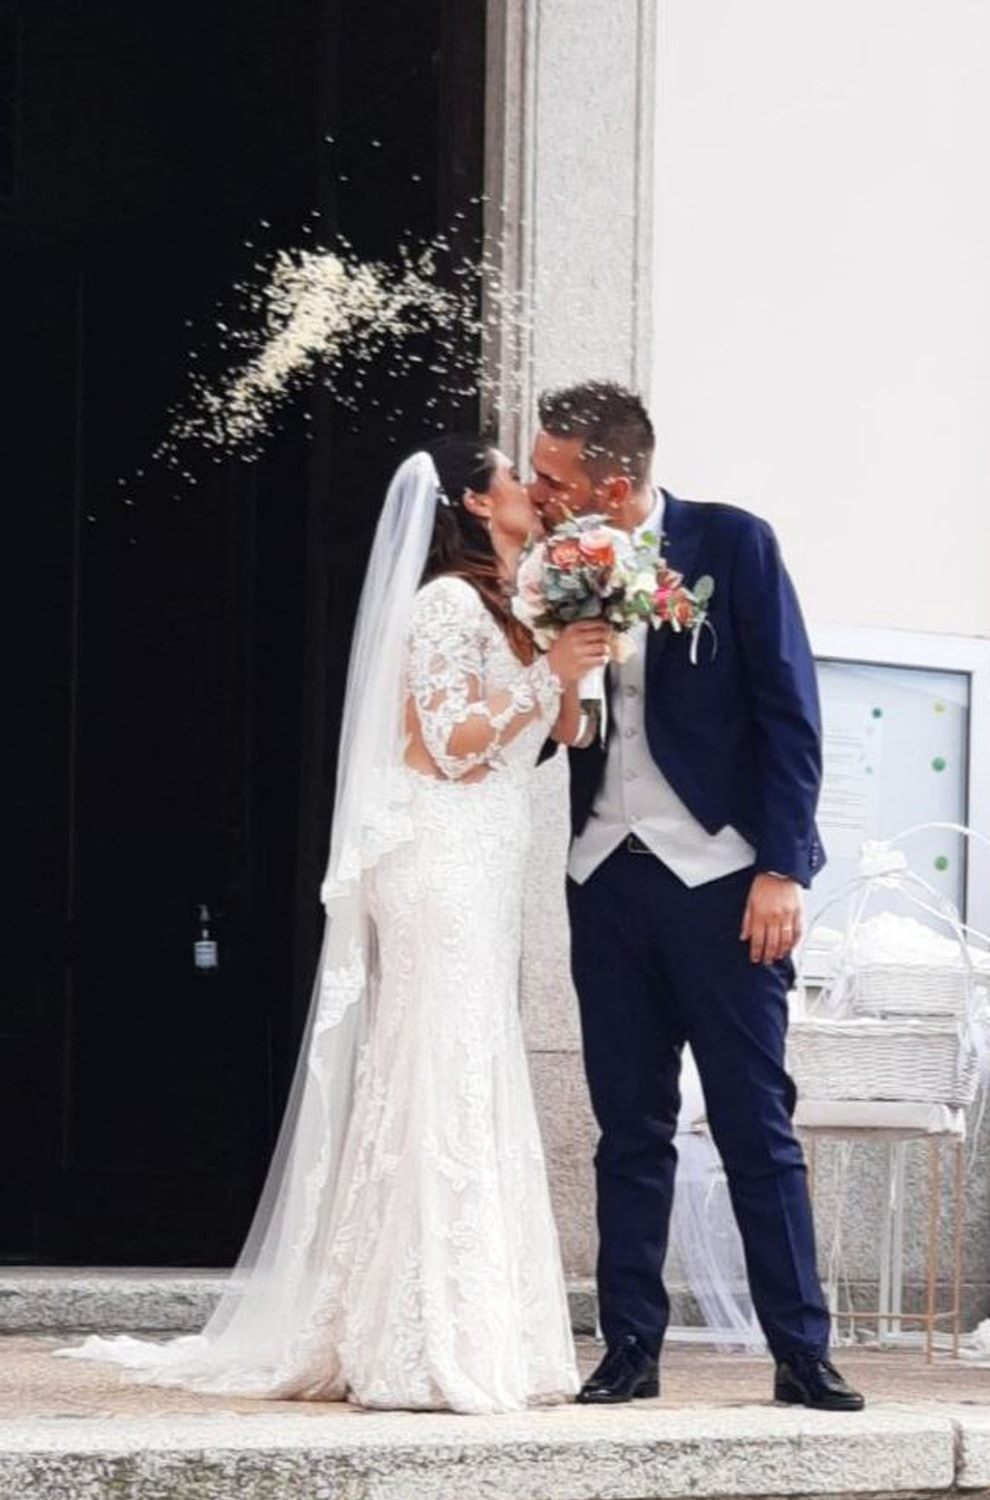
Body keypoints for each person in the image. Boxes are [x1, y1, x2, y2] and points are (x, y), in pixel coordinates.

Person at [56, 438, 610, 1413]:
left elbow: (565, 734)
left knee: (470, 1058)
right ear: (476, 503)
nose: (533, 489)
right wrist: (541, 675)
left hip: (488, 856)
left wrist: (570, 663)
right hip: (439, 854)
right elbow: (441, 747)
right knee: (438, 1060)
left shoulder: (520, 604)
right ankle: (418, 1337)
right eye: (513, 476)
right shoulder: (445, 604)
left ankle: (475, 1326)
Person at [530, 381, 864, 1412]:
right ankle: (629, 1348)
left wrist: (782, 869)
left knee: (754, 1123)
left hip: (725, 885)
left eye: (552, 478)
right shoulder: (552, 568)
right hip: (605, 879)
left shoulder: (733, 544)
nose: (539, 495)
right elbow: (557, 729)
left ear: (611, 485)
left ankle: (800, 1351)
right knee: (628, 1129)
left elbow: (789, 713)